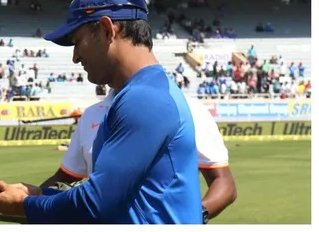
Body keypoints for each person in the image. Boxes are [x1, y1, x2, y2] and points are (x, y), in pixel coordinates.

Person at [0, 0, 203, 224]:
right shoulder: (144, 92)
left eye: (78, 41)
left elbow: (96, 203)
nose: (76, 56)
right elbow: (120, 199)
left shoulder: (144, 99)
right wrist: (40, 194)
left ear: (107, 29)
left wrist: (24, 205)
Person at [39, 89, 237, 224]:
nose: (76, 56)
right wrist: (22, 197)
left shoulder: (189, 108)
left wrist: (195, 216)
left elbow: (224, 183)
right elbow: (64, 177)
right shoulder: (91, 115)